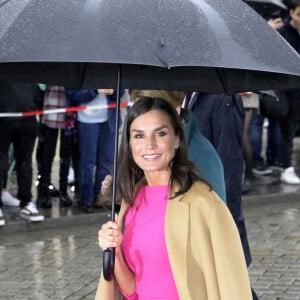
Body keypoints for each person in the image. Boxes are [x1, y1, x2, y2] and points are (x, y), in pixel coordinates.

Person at [96, 97, 252, 299]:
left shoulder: (203, 203)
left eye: (160, 134)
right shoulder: (131, 200)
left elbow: (231, 284)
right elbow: (132, 291)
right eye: (139, 136)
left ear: (177, 139)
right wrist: (115, 252)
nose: (149, 145)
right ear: (129, 143)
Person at [65, 88, 123, 213]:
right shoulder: (83, 71)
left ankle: (101, 197)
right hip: (86, 120)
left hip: (109, 121)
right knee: (87, 162)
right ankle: (86, 198)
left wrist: (113, 92)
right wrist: (95, 91)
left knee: (107, 161)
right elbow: (72, 93)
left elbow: (121, 92)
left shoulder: (112, 70)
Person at [0, 80, 44, 224]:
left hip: (27, 119)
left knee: (25, 162)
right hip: (3, 118)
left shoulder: (28, 62)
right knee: (2, 162)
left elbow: (37, 90)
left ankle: (26, 202)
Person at [36, 85, 74, 208]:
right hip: (50, 109)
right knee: (47, 154)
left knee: (66, 155)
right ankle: (44, 190)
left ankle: (63, 191)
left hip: (69, 113)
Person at [277, 0, 300, 184]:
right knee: (287, 128)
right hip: (286, 89)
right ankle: (285, 166)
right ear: (291, 12)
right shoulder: (281, 34)